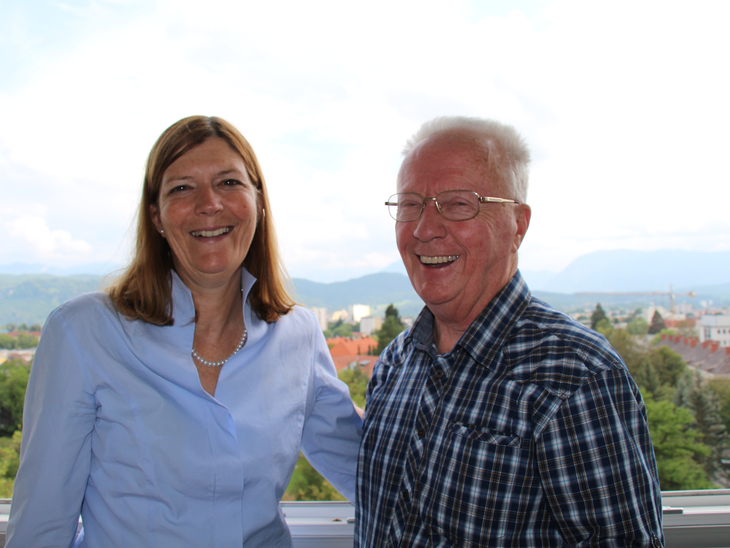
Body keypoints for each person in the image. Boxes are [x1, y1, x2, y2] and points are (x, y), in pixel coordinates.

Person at [7, 115, 362, 547]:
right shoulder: (83, 333)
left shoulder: (298, 335)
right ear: (156, 216)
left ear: (258, 202)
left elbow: (370, 473)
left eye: (229, 182)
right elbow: (41, 526)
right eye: (181, 188)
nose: (209, 203)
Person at [356, 116, 664, 547]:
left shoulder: (575, 378)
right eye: (410, 205)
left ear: (518, 224)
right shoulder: (394, 365)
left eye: (458, 204)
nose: (425, 229)